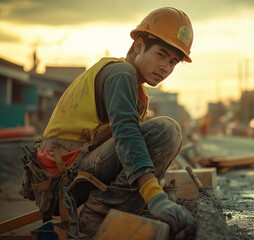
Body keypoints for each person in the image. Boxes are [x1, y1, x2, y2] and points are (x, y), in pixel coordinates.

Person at [23, 7, 196, 239]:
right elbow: (127, 134)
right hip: (62, 183)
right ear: (138, 46)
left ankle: (112, 209)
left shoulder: (137, 92)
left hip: (74, 175)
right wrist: (154, 195)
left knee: (155, 136)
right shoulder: (120, 73)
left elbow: (129, 149)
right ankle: (99, 215)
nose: (166, 67)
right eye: (161, 54)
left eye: (173, 62)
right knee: (166, 131)